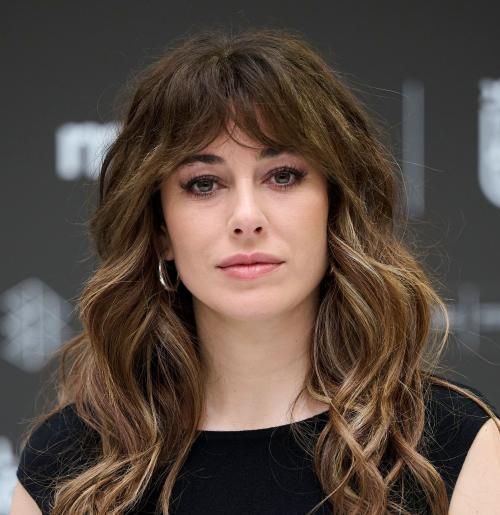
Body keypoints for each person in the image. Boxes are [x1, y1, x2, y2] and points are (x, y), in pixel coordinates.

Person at [10, 26, 500, 515]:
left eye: (282, 176)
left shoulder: (450, 445)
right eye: (204, 184)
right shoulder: (69, 465)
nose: (246, 218)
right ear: (160, 229)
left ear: (335, 206)